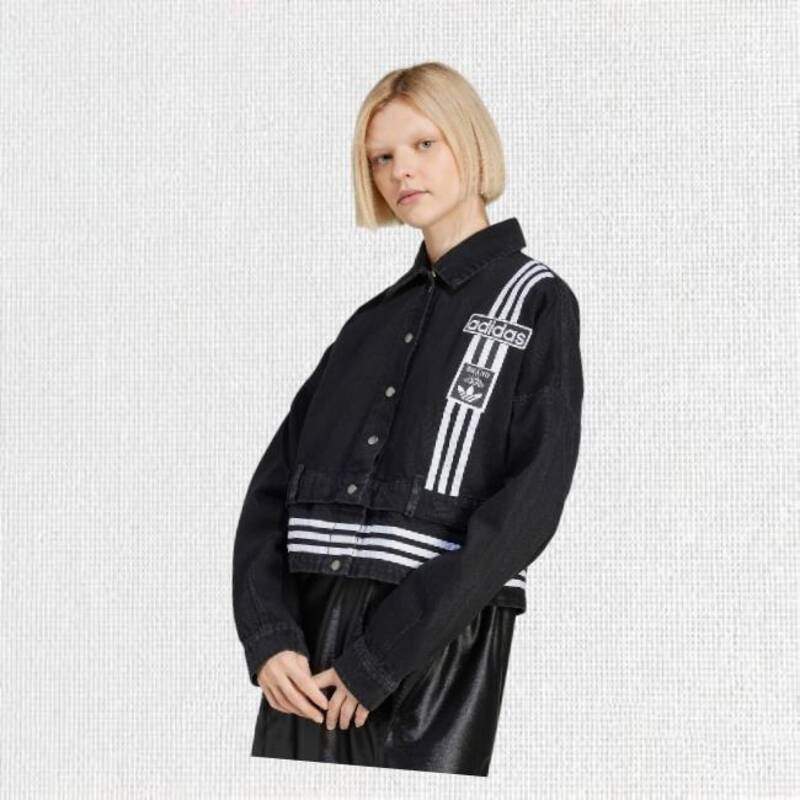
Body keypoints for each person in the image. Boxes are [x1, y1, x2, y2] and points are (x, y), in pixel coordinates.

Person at [232, 61, 584, 776]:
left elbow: (529, 505)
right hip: (302, 667)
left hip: (429, 656)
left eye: (424, 144)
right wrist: (268, 639)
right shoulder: (368, 325)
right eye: (381, 157)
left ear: (469, 141)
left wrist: (381, 658)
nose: (401, 171)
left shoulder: (535, 303)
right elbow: (272, 492)